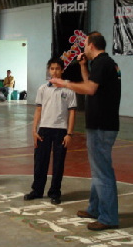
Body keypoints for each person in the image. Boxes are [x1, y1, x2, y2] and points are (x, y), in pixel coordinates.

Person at [50, 32, 121, 231]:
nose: (84, 48)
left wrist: (64, 83)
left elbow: (89, 89)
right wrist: (83, 66)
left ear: (90, 45)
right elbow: (93, 85)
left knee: (102, 172)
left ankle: (108, 218)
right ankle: (95, 208)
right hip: (102, 124)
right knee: (98, 170)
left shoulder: (102, 63)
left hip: (101, 125)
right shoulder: (107, 64)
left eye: (85, 45)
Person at [24, 57, 77, 205]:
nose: (54, 71)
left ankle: (55, 192)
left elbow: (72, 112)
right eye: (52, 68)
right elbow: (38, 110)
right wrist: (34, 130)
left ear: (62, 70)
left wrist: (69, 133)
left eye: (57, 68)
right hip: (44, 129)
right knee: (40, 161)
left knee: (58, 163)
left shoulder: (69, 89)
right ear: (49, 70)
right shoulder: (43, 89)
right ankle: (37, 190)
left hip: (61, 130)